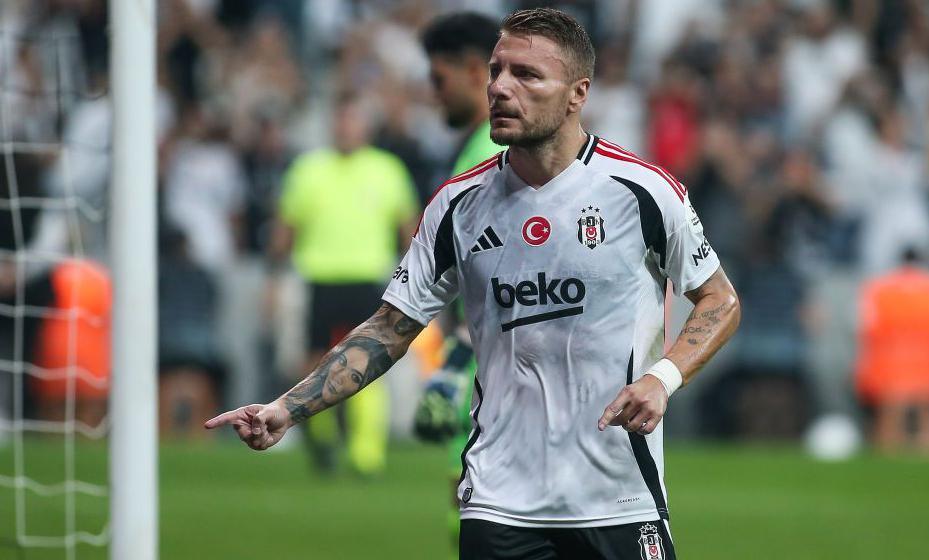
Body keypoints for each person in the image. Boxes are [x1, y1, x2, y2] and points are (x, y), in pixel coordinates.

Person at [208, 9, 740, 559]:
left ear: (578, 93)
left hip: (619, 497)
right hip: (499, 502)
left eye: (527, 75)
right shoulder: (456, 206)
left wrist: (663, 378)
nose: (501, 88)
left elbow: (719, 299)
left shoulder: (643, 192)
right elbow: (390, 327)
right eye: (496, 71)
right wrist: (285, 409)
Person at [267, 90, 420, 475]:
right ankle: (322, 440)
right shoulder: (309, 169)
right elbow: (285, 230)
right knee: (315, 360)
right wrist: (274, 278)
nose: (346, 128)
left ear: (366, 127)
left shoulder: (387, 170)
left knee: (369, 359)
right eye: (341, 120)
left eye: (353, 121)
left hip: (368, 277)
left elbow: (410, 229)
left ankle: (366, 452)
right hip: (319, 278)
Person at [414, 10, 504, 550]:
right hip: (483, 369)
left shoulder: (493, 154)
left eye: (438, 78)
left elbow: (503, 274)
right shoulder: (477, 149)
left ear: (474, 71)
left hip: (496, 377)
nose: (433, 93)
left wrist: (456, 359)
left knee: (485, 522)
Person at [855, 248, 929, 455]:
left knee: (890, 414)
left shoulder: (878, 289)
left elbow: (862, 326)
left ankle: (888, 460)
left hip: (889, 364)